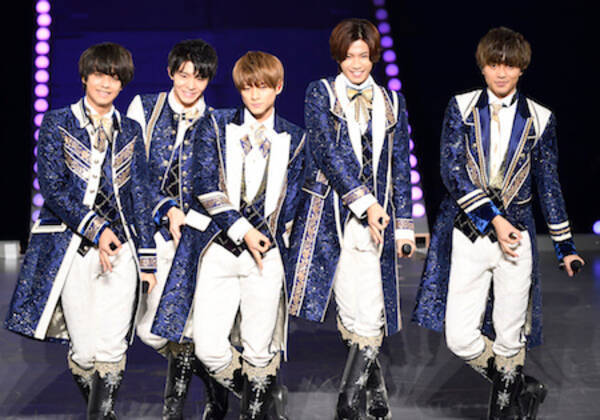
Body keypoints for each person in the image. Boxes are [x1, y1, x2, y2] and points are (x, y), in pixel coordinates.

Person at [412, 26, 585, 419]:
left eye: (509, 65)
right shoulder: (461, 107)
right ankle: (523, 387)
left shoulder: (540, 118)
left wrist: (565, 246)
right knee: (459, 337)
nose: (502, 72)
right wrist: (494, 219)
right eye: (494, 64)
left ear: (522, 68)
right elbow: (452, 171)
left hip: (517, 239)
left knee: (509, 336)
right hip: (470, 233)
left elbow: (548, 183)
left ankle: (504, 411)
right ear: (482, 66)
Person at [4, 42, 157, 418]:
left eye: (115, 77)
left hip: (122, 250)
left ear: (123, 84)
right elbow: (53, 188)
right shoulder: (57, 122)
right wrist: (97, 229)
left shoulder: (131, 129)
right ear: (86, 76)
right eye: (100, 74)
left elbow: (139, 193)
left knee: (111, 347)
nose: (106, 83)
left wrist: (147, 260)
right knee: (85, 352)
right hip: (70, 249)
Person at [152, 50, 305, 419]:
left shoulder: (296, 138)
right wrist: (243, 231)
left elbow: (294, 200)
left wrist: (277, 240)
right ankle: (266, 402)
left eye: (263, 87)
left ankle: (255, 410)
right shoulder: (215, 125)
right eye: (247, 88)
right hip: (217, 250)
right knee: (208, 347)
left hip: (266, 255)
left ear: (279, 87)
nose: (255, 95)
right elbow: (205, 186)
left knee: (258, 349)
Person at [286, 18, 415, 419]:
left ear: (373, 56)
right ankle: (375, 393)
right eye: (348, 56)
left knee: (372, 312)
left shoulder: (393, 102)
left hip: (379, 224)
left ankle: (347, 401)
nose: (356, 64)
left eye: (363, 55)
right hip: (332, 221)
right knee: (350, 312)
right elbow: (326, 153)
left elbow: (398, 166)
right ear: (338, 57)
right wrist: (366, 203)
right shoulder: (321, 93)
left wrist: (404, 225)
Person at [126, 38, 229, 420]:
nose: (190, 84)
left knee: (187, 326)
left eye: (199, 78)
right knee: (150, 329)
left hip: (195, 239)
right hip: (150, 233)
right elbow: (133, 174)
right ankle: (220, 385)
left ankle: (174, 410)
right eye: (184, 75)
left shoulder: (216, 122)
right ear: (170, 72)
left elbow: (215, 184)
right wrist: (166, 209)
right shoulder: (144, 108)